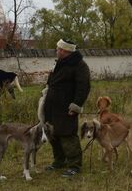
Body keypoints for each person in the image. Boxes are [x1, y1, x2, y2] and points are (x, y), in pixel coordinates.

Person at [44, 39, 91, 177]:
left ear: (65, 51)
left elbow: (84, 87)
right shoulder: (59, 63)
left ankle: (74, 166)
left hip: (67, 107)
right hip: (52, 107)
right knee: (53, 134)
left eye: (58, 49)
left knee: (68, 135)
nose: (56, 50)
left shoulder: (80, 65)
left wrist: (76, 105)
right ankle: (59, 161)